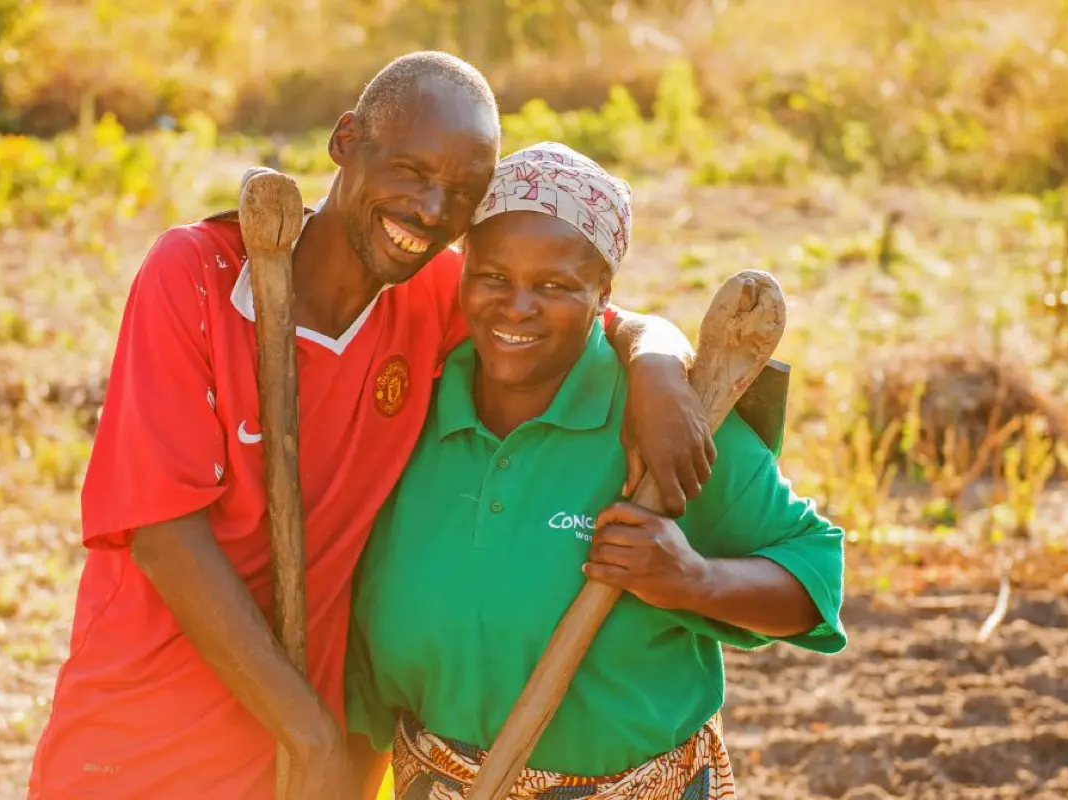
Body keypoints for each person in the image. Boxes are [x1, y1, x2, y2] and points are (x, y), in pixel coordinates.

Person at [27, 53, 719, 800]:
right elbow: (166, 533)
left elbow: (587, 317)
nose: (430, 209)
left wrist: (652, 359)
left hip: (325, 718)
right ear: (345, 139)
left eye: (461, 192)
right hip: (150, 718)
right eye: (411, 171)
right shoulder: (197, 274)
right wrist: (309, 734)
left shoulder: (435, 300)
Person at [344, 142, 849, 799]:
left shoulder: (660, 427)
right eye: (493, 276)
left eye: (554, 286)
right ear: (462, 269)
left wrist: (692, 579)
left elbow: (815, 575)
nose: (516, 307)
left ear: (603, 293)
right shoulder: (414, 399)